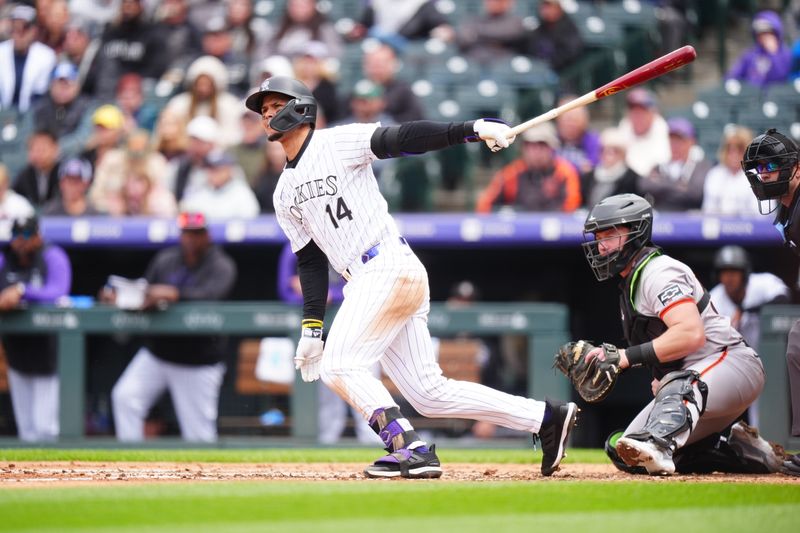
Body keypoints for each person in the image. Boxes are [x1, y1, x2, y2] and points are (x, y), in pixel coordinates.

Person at [245, 75, 578, 478]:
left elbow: (403, 138)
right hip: (369, 278)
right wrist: (312, 327)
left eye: (274, 105)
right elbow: (311, 261)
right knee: (428, 393)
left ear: (299, 107)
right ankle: (544, 418)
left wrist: (471, 130)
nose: (267, 114)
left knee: (338, 365)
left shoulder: (336, 142)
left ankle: (408, 448)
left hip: (385, 264)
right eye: (262, 110)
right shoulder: (283, 192)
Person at [580, 193, 783, 476]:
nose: (602, 247)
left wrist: (626, 357)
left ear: (636, 233)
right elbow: (662, 349)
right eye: (599, 238)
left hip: (732, 363)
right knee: (627, 452)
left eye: (610, 235)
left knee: (662, 422)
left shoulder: (658, 271)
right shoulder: (629, 286)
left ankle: (662, 442)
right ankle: (736, 448)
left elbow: (690, 334)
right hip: (694, 383)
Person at [105, 211, 237, 442]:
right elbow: (145, 290)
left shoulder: (221, 264)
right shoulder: (166, 259)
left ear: (207, 235)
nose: (191, 239)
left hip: (198, 361)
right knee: (125, 397)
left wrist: (174, 294)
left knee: (199, 436)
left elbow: (211, 295)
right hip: (159, 354)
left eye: (196, 233)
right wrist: (121, 296)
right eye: (187, 233)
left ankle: (203, 477)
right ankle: (130, 464)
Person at [276, 242, 380, 445]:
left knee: (367, 389)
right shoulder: (293, 247)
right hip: (321, 337)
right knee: (328, 402)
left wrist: (329, 293)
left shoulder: (347, 241)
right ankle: (326, 453)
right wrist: (311, 296)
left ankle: (377, 443)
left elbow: (368, 283)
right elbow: (284, 291)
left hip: (359, 328)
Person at [740, 128, 800, 476]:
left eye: (772, 165)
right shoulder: (787, 212)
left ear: (794, 167)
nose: (765, 174)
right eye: (760, 168)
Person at [0, 215, 71, 442]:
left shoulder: (52, 255)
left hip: (47, 353)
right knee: (26, 429)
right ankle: (30, 477)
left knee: (45, 428)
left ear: (38, 237)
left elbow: (59, 291)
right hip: (17, 353)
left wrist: (22, 290)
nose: (21, 241)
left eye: (27, 235)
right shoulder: (4, 259)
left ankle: (52, 476)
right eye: (16, 235)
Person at [709, 245, 790, 427]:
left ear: (744, 273)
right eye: (724, 272)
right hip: (737, 364)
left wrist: (746, 310)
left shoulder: (761, 283)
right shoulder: (715, 299)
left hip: (772, 359)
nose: (728, 278)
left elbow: (784, 298)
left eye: (734, 272)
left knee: (768, 411)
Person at [476, 122, 582, 213]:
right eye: (529, 145)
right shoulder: (512, 173)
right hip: (519, 232)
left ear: (551, 147)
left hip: (558, 232)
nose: (535, 151)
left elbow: (572, 205)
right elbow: (485, 205)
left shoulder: (565, 172)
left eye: (541, 145)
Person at [638, 117, 711, 212]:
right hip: (663, 221)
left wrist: (662, 184)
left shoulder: (701, 167)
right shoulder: (659, 166)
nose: (675, 145)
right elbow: (644, 186)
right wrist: (679, 186)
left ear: (692, 141)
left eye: (680, 140)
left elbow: (696, 194)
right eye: (672, 140)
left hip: (689, 221)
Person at [0, 5, 57, 112]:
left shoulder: (46, 56)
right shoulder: (1, 51)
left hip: (31, 117)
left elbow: (40, 96)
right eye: (14, 28)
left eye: (24, 29)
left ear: (34, 31)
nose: (18, 34)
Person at [702, 125, 763, 216]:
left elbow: (763, 214)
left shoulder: (758, 175)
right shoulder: (714, 174)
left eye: (739, 149)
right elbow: (708, 210)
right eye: (730, 150)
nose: (734, 154)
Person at [725, 10, 792, 89]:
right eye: (760, 34)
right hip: (752, 97)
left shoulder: (786, 54)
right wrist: (731, 81)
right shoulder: (751, 55)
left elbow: (783, 78)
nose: (763, 37)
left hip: (778, 98)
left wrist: (773, 54)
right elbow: (733, 74)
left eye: (768, 33)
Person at [580, 127, 640, 209]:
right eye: (603, 149)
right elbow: (582, 203)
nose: (608, 154)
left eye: (614, 150)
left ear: (623, 154)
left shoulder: (633, 179)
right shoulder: (589, 176)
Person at [617, 88, 670, 178]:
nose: (638, 116)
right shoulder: (624, 128)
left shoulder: (663, 130)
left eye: (642, 112)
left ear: (653, 113)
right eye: (634, 111)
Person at [455, 0, 527, 64]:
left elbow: (509, 34)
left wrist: (478, 33)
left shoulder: (515, 21)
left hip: (504, 64)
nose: (492, 2)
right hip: (475, 62)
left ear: (508, 2)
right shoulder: (475, 20)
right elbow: (465, 38)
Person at [526, 0, 584, 74]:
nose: (545, 10)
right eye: (544, 6)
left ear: (559, 9)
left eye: (549, 7)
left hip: (562, 73)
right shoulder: (540, 27)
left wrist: (549, 64)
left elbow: (570, 53)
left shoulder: (568, 27)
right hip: (539, 70)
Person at [12, 129, 62, 208]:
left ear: (55, 149)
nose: (38, 154)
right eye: (33, 149)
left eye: (42, 149)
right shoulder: (24, 176)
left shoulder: (64, 174)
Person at [0, 163, 35, 239]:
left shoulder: (20, 204)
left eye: (0, 186)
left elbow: (31, 233)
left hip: (14, 248)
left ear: (6, 183)